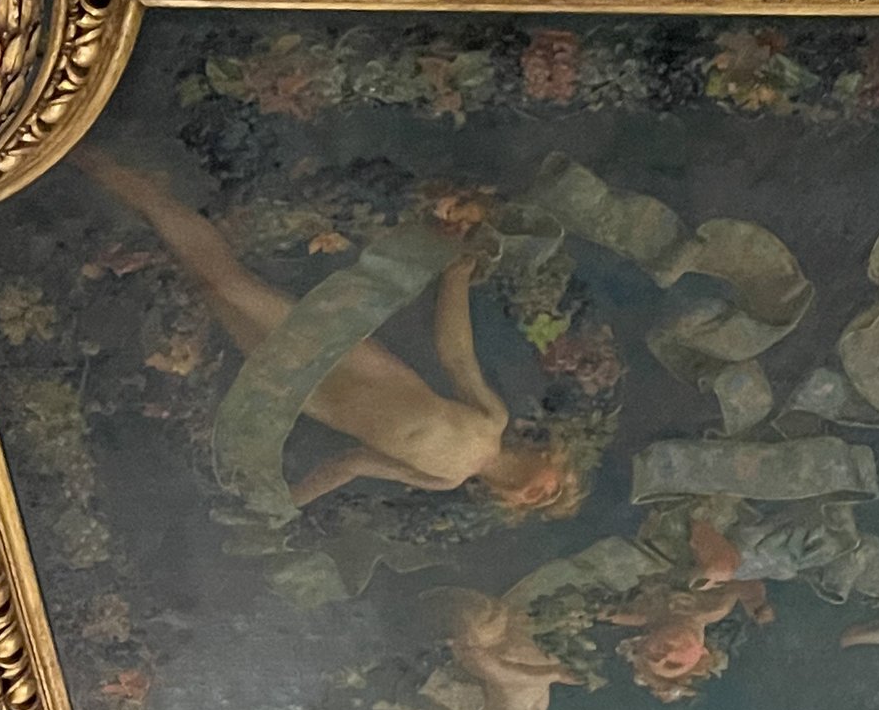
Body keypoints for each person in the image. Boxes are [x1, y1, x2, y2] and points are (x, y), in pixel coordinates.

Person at [79, 146, 582, 515]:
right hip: (345, 356)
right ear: (547, 456)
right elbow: (455, 351)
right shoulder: (490, 421)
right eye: (554, 487)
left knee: (214, 297)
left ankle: (143, 213)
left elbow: (355, 464)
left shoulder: (443, 480)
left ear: (512, 504)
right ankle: (125, 178)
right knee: (230, 283)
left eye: (542, 504)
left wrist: (291, 502)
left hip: (310, 392)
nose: (542, 494)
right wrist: (455, 278)